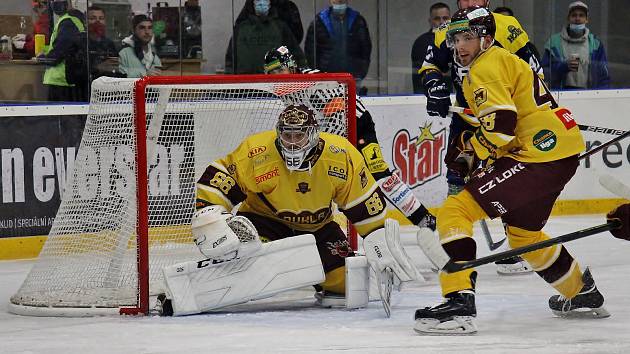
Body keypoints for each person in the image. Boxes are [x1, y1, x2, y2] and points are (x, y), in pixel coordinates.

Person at [413, 7, 609, 335]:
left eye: (468, 38)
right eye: (456, 38)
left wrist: (470, 153)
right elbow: (504, 121)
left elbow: (501, 128)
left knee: (454, 211)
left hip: (537, 155)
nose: (460, 46)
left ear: (486, 39)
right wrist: (476, 144)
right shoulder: (501, 61)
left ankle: (459, 300)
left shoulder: (485, 67)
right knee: (523, 234)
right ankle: (581, 291)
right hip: (558, 152)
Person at [156, 104, 423, 316]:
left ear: (313, 134)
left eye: (299, 135)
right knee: (246, 265)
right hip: (264, 221)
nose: (292, 143)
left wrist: (378, 242)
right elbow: (220, 179)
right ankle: (189, 291)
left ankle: (318, 276)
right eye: (287, 135)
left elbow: (365, 208)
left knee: (349, 283)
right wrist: (211, 215)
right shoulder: (257, 152)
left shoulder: (342, 155)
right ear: (278, 133)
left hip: (319, 228)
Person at [418, 0, 542, 274]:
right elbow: (430, 66)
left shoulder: (507, 26)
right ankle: (452, 243)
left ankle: (517, 247)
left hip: (505, 118)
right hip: (468, 119)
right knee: (457, 175)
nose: (471, 2)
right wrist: (435, 87)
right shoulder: (447, 30)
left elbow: (533, 68)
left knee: (510, 176)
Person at [263, 46, 437, 231]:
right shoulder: (286, 90)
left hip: (358, 126)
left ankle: (424, 218)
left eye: (280, 69)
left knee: (379, 175)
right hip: (333, 132)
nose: (277, 76)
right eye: (271, 72)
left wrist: (320, 148)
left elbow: (337, 116)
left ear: (291, 65)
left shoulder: (313, 82)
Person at [304, 0, 372, 94]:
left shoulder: (358, 20)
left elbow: (365, 49)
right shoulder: (319, 21)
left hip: (352, 78)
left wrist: (360, 73)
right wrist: (318, 74)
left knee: (353, 106)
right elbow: (310, 51)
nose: (339, 1)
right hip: (326, 80)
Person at [541, 1, 610, 90]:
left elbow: (604, 76)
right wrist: (563, 66)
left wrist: (601, 97)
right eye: (574, 15)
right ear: (568, 18)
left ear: (586, 19)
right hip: (561, 94)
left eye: (581, 15)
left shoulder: (595, 44)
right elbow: (544, 72)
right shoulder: (554, 43)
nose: (577, 19)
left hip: (588, 94)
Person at [225, 0, 305, 74]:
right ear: (252, 3)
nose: (262, 3)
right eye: (258, 0)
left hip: (272, 83)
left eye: (265, 0)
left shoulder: (280, 27)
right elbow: (231, 59)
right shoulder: (241, 28)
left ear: (270, 3)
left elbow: (297, 55)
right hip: (245, 84)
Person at [36, 0, 86, 102]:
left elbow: (58, 54)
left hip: (61, 81)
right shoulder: (70, 20)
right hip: (64, 80)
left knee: (59, 116)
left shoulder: (68, 22)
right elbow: (63, 45)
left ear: (69, 3)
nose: (56, 3)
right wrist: (45, 51)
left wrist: (42, 58)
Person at [411, 2, 451, 94]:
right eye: (437, 18)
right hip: (426, 94)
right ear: (430, 21)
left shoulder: (457, 40)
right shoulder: (422, 42)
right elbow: (427, 70)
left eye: (445, 18)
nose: (442, 22)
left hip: (450, 93)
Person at [87, 6, 121, 82]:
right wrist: (98, 68)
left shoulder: (109, 44)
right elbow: (71, 76)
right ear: (86, 22)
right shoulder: (79, 43)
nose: (98, 21)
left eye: (101, 18)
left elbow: (117, 71)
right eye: (93, 18)